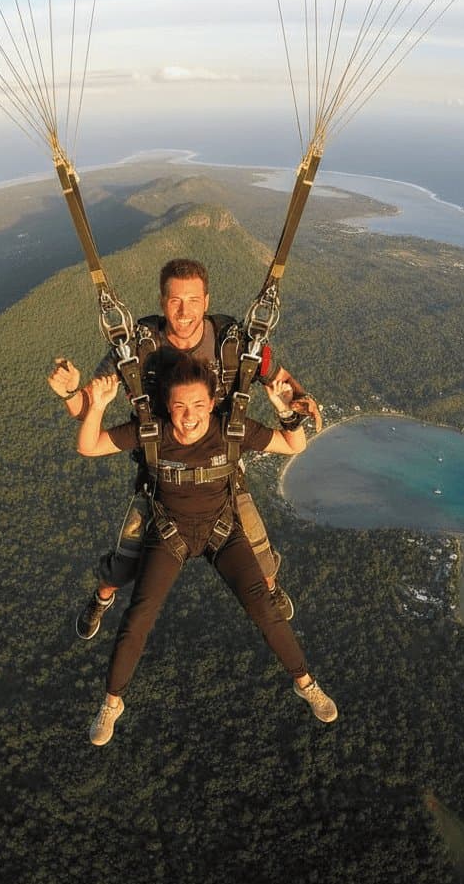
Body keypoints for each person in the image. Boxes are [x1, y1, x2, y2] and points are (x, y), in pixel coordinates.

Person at [48, 259, 319, 639]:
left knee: (260, 553)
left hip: (220, 468)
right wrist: (72, 391)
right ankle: (102, 597)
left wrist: (302, 402)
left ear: (206, 301)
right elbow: (87, 408)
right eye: (176, 301)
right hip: (161, 473)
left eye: (193, 300)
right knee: (125, 563)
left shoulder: (233, 343)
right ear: (162, 301)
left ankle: (270, 591)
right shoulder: (137, 348)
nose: (184, 311)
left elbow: (278, 378)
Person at [77, 354, 337, 745]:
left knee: (263, 608)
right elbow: (89, 446)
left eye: (198, 405)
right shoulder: (153, 432)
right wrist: (97, 406)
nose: (189, 416)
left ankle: (305, 682)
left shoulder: (230, 430)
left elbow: (292, 444)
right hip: (169, 533)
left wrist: (285, 410)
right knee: (139, 616)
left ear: (212, 403)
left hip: (221, 530)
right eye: (180, 406)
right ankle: (112, 702)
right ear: (168, 406)